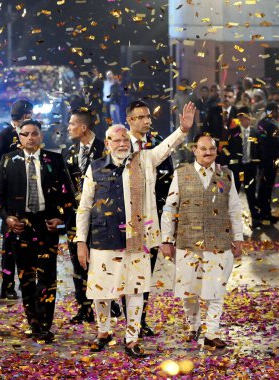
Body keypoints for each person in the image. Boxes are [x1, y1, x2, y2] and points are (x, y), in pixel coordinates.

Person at [75, 103, 196, 357]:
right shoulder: (95, 168)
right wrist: (80, 242)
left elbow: (165, 149)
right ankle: (103, 331)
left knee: (136, 290)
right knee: (101, 291)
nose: (121, 144)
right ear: (107, 144)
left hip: (136, 239)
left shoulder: (144, 160)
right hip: (102, 239)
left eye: (123, 140)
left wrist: (183, 130)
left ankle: (131, 338)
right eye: (115, 140)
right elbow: (84, 208)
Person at [0, 119, 73, 343]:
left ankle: (45, 326)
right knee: (26, 278)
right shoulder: (9, 161)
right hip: (20, 227)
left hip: (47, 225)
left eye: (34, 133)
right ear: (19, 137)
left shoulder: (55, 160)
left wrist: (62, 221)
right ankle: (33, 323)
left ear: (41, 136)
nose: (30, 138)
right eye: (25, 134)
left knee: (47, 278)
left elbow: (68, 197)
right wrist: (7, 218)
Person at [160, 134, 243, 349]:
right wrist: (166, 239)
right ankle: (193, 326)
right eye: (203, 149)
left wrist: (238, 238)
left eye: (212, 149)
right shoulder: (181, 174)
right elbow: (170, 208)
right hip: (188, 243)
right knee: (189, 291)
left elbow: (234, 208)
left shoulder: (227, 175)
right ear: (194, 150)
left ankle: (211, 333)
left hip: (220, 244)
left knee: (216, 291)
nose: (208, 153)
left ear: (216, 150)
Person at [62, 108, 121, 324]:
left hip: (100, 218)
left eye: (72, 124)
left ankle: (110, 302)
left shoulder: (105, 150)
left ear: (83, 127)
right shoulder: (67, 152)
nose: (68, 128)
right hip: (74, 217)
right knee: (79, 263)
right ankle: (84, 308)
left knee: (102, 262)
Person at [125, 99, 174, 337]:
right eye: (141, 117)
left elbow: (168, 175)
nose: (147, 120)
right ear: (130, 119)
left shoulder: (156, 143)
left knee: (147, 275)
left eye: (148, 116)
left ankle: (140, 320)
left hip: (152, 219)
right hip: (126, 223)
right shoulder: (119, 142)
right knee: (126, 275)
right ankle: (126, 321)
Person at [0, 99, 33, 300]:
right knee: (9, 245)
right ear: (25, 116)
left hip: (28, 197)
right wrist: (1, 203)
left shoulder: (28, 135)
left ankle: (26, 283)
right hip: (9, 200)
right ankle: (7, 285)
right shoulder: (4, 136)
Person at [219, 107, 261, 228]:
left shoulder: (255, 133)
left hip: (250, 167)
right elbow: (226, 148)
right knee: (233, 193)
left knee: (251, 193)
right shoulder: (233, 132)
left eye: (246, 117)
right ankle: (229, 221)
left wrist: (259, 165)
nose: (243, 119)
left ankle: (255, 219)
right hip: (236, 168)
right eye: (241, 117)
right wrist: (225, 164)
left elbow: (258, 151)